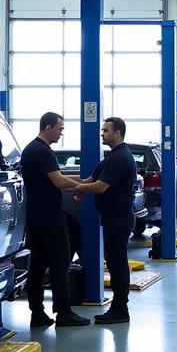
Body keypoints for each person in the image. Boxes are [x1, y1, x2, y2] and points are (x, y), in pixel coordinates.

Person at [20, 112, 91, 329]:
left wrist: (83, 179)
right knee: (60, 263)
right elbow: (59, 181)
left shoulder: (32, 149)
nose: (61, 133)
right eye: (60, 129)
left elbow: (56, 179)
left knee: (39, 265)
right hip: (50, 217)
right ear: (48, 126)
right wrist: (85, 186)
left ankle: (38, 312)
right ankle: (64, 313)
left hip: (36, 216)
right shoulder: (42, 151)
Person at [77, 117, 137, 325]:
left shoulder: (121, 158)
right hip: (112, 216)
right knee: (113, 261)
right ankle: (118, 308)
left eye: (106, 130)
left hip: (118, 217)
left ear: (118, 133)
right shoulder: (112, 157)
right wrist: (65, 183)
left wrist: (77, 188)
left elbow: (100, 186)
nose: (102, 133)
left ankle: (121, 309)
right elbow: (90, 180)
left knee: (117, 263)